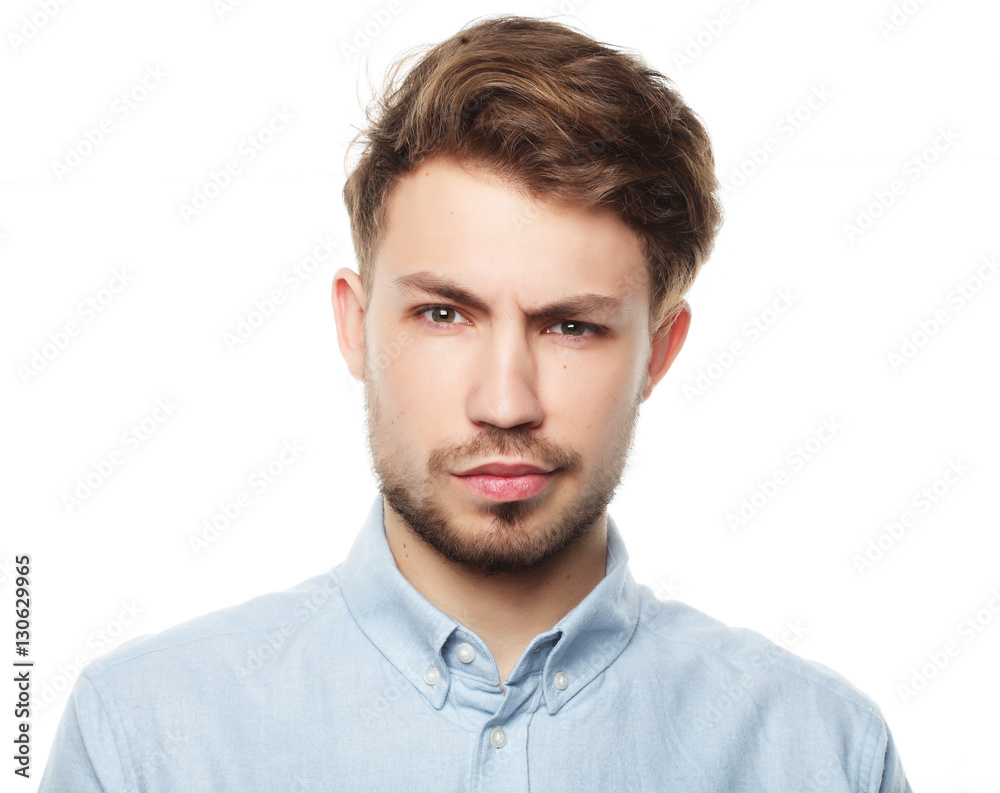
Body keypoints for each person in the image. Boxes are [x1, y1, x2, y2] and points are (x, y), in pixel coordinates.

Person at [40, 15, 911, 791]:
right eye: (445, 313)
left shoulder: (822, 753)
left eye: (570, 326)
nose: (505, 402)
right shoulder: (144, 742)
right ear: (353, 324)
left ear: (660, 352)